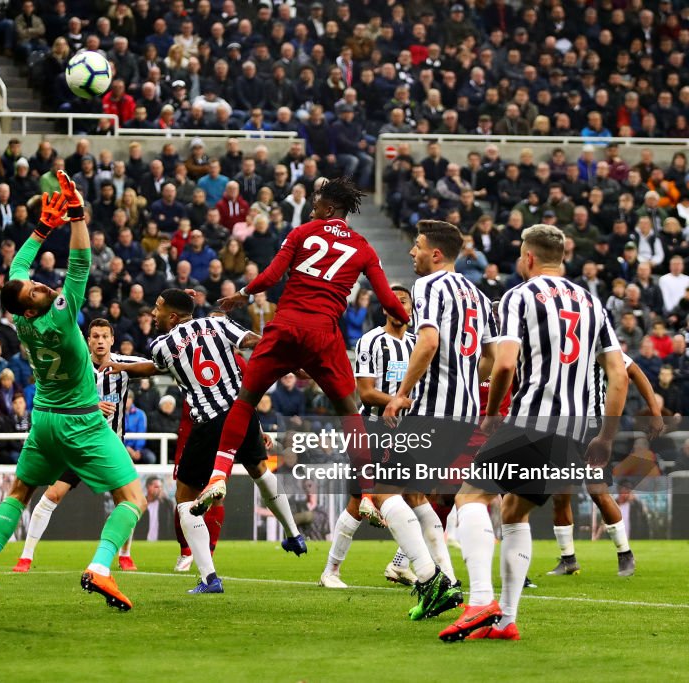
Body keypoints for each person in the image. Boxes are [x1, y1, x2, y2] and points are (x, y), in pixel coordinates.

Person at [0, 171, 147, 613]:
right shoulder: (60, 318)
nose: (42, 284)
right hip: (83, 419)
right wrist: (78, 213)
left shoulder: (22, 320)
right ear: (30, 306)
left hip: (43, 420)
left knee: (19, 493)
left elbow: (17, 270)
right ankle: (101, 566)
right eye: (35, 290)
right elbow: (81, 264)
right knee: (132, 499)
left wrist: (42, 229)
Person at [438, 224, 627, 642]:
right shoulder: (593, 303)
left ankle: (480, 601)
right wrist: (607, 438)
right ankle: (505, 620)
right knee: (513, 514)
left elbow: (504, 364)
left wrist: (490, 415)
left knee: (469, 498)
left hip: (532, 420)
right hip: (576, 429)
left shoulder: (519, 296)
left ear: (528, 258)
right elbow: (619, 375)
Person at [199, 176, 408, 530]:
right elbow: (388, 299)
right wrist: (407, 318)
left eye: (316, 203)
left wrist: (242, 294)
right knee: (349, 413)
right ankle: (368, 494)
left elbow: (272, 275)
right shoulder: (363, 248)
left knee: (245, 401)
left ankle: (219, 475)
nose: (312, 207)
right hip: (323, 336)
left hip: (285, 327)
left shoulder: (303, 232)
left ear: (328, 209)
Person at [108, 289, 305, 594]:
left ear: (172, 316)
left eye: (158, 309)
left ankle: (209, 577)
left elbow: (157, 364)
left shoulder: (161, 344)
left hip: (209, 423)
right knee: (259, 469)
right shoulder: (219, 323)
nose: (153, 314)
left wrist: (123, 367)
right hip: (242, 413)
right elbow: (253, 341)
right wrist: (288, 357)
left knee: (185, 499)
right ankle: (293, 533)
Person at [381, 220, 498, 621]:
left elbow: (428, 341)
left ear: (435, 253)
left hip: (433, 411)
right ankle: (449, 580)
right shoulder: (479, 296)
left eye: (417, 246)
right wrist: (467, 379)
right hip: (466, 411)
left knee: (379, 489)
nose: (412, 253)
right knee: (421, 496)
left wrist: (401, 393)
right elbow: (490, 360)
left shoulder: (429, 287)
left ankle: (431, 581)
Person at [12, 318, 147, 573]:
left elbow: (153, 367)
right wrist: (91, 407)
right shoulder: (75, 364)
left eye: (104, 336)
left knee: (127, 500)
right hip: (76, 445)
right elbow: (60, 397)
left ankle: (125, 554)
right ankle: (26, 556)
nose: (99, 341)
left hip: (111, 447)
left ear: (112, 340)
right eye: (95, 336)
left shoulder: (124, 364)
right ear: (88, 340)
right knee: (52, 495)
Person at [320, 285, 417, 589]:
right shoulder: (371, 341)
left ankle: (400, 564)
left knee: (416, 498)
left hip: (408, 433)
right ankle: (331, 571)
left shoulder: (418, 344)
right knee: (358, 503)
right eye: (396, 302)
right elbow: (366, 391)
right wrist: (400, 401)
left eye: (406, 303)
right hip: (373, 428)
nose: (401, 307)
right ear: (386, 308)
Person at [546, 353, 658, 578]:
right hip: (561, 427)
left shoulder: (596, 337)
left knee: (597, 490)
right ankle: (568, 559)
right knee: (560, 493)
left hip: (592, 428)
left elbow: (633, 370)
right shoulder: (552, 338)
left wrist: (654, 410)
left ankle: (625, 554)